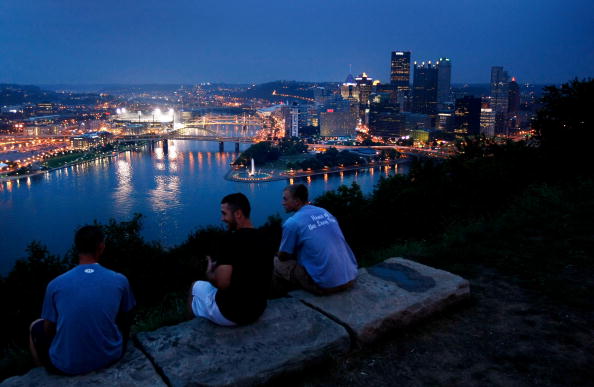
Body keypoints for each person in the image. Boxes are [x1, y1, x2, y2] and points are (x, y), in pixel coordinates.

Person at [29, 225, 136, 375]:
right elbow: (127, 317)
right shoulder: (119, 280)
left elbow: (48, 329)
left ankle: (44, 374)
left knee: (35, 325)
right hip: (111, 356)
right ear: (101, 247)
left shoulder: (55, 285)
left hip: (67, 366)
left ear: (77, 248)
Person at [188, 193, 272, 326]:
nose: (222, 218)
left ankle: (194, 328)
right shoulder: (265, 238)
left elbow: (222, 283)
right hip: (258, 309)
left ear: (238, 214)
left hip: (231, 313)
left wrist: (210, 274)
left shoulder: (229, 241)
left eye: (224, 214)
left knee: (196, 287)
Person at [273, 183, 358, 296]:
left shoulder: (292, 223)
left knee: (276, 262)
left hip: (327, 285)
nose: (282, 202)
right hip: (351, 276)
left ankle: (281, 299)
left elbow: (283, 256)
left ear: (297, 201)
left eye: (285, 199)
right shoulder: (325, 212)